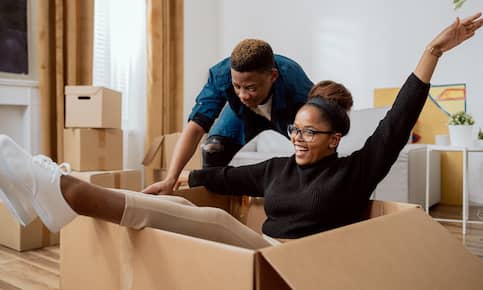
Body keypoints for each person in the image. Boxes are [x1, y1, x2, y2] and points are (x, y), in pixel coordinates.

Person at [0, 13, 482, 248]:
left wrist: (433, 52)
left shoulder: (356, 172)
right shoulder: (275, 170)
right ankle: (63, 189)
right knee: (186, 205)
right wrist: (176, 182)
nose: (297, 137)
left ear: (335, 139)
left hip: (296, 258)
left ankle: (61, 190)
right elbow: (220, 178)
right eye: (295, 128)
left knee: (215, 224)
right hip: (257, 251)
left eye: (310, 133)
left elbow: (397, 121)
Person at [146, 39, 313, 193]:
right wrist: (170, 179)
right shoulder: (221, 75)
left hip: (287, 113)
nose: (243, 95)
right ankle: (214, 209)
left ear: (273, 76)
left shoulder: (296, 85)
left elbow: (322, 132)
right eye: (237, 86)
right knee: (213, 148)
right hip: (243, 114)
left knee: (309, 152)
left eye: (251, 88)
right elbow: (196, 127)